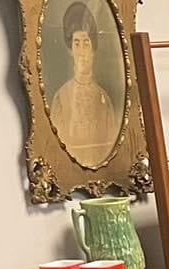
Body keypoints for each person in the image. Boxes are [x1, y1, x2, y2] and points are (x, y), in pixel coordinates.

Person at [48, 2, 120, 167]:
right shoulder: (62, 98)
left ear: (93, 49)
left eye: (86, 43)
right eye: (76, 43)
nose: (81, 51)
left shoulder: (104, 99)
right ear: (70, 49)